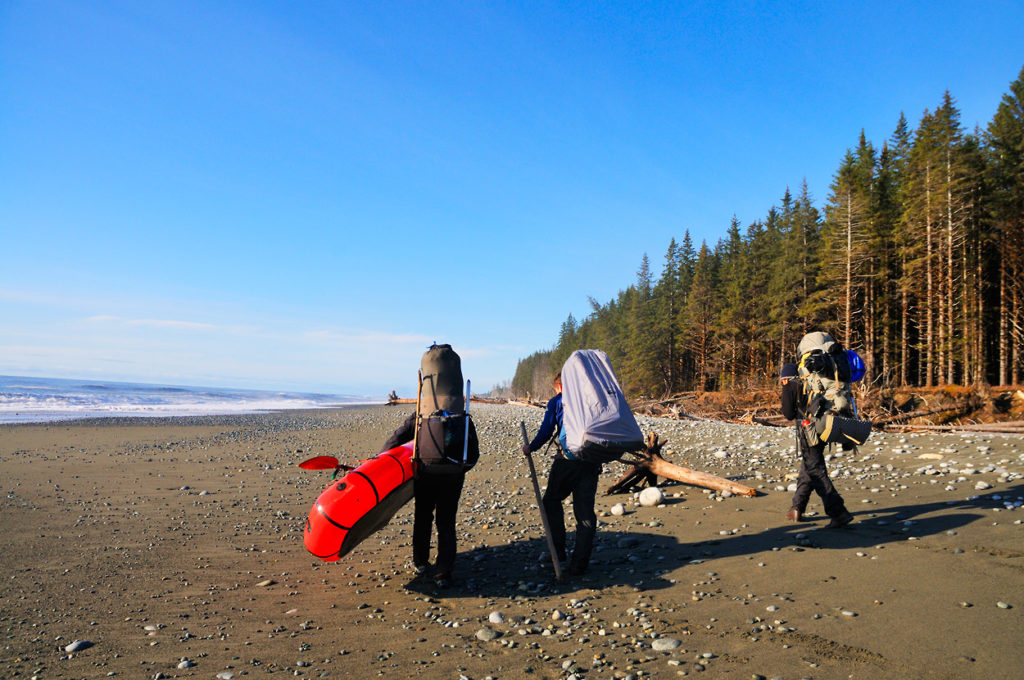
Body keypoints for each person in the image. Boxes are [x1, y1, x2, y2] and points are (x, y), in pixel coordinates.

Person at [383, 347, 478, 589]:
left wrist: (379, 459)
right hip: (453, 473)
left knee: (423, 516)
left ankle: (420, 560)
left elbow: (396, 439)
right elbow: (474, 453)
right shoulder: (463, 416)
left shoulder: (421, 415)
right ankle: (444, 571)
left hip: (425, 470)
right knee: (446, 521)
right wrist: (459, 469)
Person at [521, 372, 601, 576]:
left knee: (551, 502)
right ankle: (579, 564)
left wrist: (532, 447)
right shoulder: (592, 401)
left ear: (559, 387)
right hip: (592, 461)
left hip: (568, 462)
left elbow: (547, 430)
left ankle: (557, 551)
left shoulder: (558, 401)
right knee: (585, 512)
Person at [780, 362, 854, 528]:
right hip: (824, 426)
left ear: (786, 377)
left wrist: (787, 390)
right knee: (808, 468)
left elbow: (788, 414)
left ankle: (838, 512)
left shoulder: (791, 384)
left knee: (815, 469)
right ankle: (796, 508)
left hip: (808, 431)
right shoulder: (815, 382)